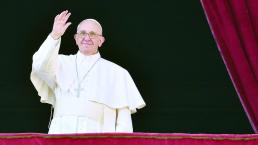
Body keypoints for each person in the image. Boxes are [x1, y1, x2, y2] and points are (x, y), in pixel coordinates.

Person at [30, 10, 146, 134]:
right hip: (60, 135)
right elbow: (38, 66)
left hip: (98, 138)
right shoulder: (60, 62)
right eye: (82, 33)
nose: (86, 37)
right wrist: (54, 35)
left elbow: (124, 123)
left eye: (92, 34)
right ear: (76, 38)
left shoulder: (117, 73)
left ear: (101, 41)